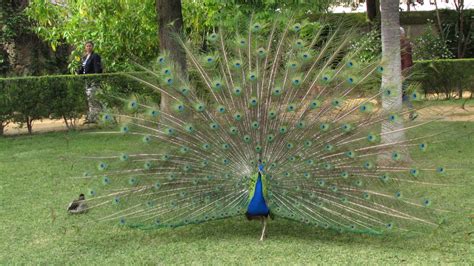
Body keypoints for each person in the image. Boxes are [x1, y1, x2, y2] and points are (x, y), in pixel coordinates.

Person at [77, 41, 103, 124]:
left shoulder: (95, 56)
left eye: (90, 46)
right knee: (89, 99)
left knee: (93, 98)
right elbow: (82, 69)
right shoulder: (84, 57)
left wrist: (96, 78)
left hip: (93, 81)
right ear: (85, 47)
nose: (88, 47)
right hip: (86, 81)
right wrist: (77, 72)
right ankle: (92, 117)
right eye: (87, 46)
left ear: (93, 47)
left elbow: (97, 69)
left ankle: (98, 117)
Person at [400, 27, 418, 120]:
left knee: (403, 93)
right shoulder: (401, 44)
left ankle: (412, 112)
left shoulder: (405, 45)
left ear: (401, 34)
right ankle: (411, 112)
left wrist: (403, 74)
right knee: (402, 93)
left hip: (403, 72)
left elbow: (407, 60)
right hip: (401, 71)